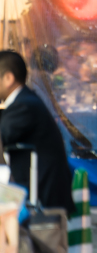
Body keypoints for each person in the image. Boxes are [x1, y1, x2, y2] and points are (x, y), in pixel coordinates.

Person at [0, 51, 74, 213]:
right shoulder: (25, 100)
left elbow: (4, 134)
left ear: (8, 78)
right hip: (39, 189)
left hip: (43, 195)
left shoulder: (24, 105)